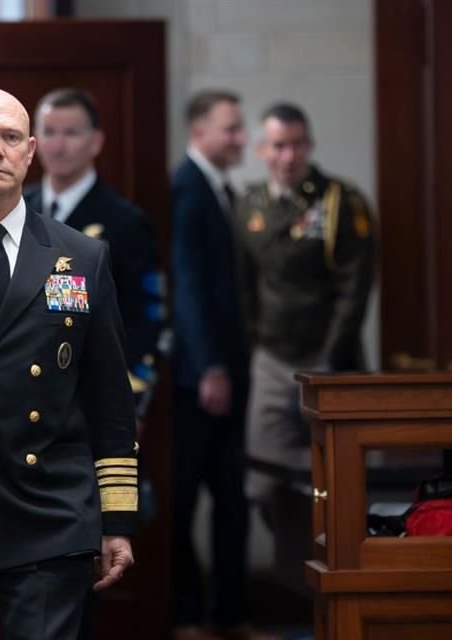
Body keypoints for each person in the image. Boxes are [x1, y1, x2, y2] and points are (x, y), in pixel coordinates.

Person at [0, 87, 139, 640]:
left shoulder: (81, 256)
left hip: (49, 510)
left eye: (10, 137)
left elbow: (109, 401)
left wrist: (117, 522)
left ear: (30, 150)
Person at [238, 103, 374, 514]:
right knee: (262, 483)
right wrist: (252, 344)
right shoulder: (251, 204)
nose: (289, 156)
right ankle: (288, 569)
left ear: (310, 146)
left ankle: (319, 573)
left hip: (328, 359)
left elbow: (355, 288)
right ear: (262, 150)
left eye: (297, 145)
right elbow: (244, 284)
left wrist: (331, 357)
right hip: (271, 359)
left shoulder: (341, 201)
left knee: (334, 483)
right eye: (279, 146)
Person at [171, 90, 268, 640]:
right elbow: (188, 287)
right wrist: (209, 367)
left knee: (232, 498)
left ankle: (231, 616)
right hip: (199, 379)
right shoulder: (186, 186)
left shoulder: (221, 190)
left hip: (229, 370)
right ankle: (188, 615)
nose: (239, 138)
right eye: (230, 129)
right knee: (187, 497)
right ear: (200, 131)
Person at [24, 87, 166, 415]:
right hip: (24, 399)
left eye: (71, 133)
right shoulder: (17, 212)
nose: (58, 146)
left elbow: (146, 318)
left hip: (94, 397)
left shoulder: (125, 222)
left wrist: (132, 398)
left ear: (96, 142)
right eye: (49, 132)